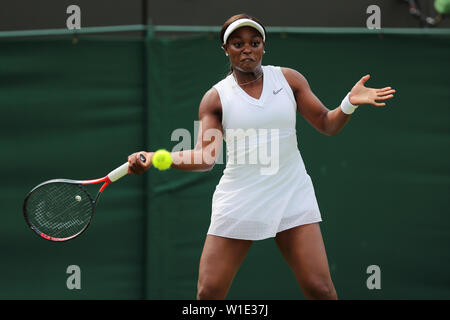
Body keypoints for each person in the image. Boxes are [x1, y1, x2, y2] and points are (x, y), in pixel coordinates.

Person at [127, 13, 395, 300]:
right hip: (240, 198)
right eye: (238, 43)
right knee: (209, 293)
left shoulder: (289, 80)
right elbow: (206, 157)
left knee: (321, 290)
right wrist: (156, 157)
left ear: (263, 47)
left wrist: (348, 104)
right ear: (225, 49)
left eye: (254, 42)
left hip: (291, 193)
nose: (247, 49)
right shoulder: (215, 98)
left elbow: (327, 124)